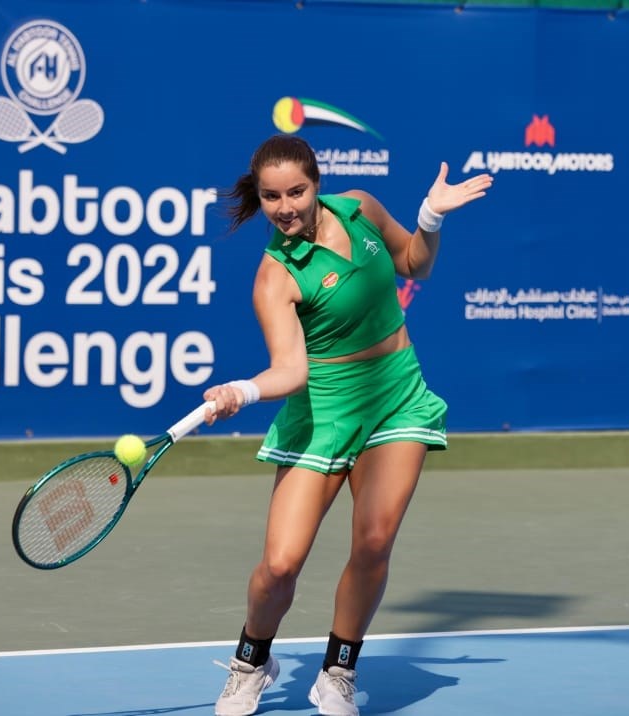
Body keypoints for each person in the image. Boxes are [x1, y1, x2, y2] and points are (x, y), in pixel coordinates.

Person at [202, 134, 493, 716]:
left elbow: (415, 263)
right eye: (271, 197)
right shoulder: (274, 276)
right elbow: (290, 371)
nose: (285, 207)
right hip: (325, 412)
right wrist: (243, 389)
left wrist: (430, 216)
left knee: (374, 540)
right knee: (280, 566)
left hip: (395, 396)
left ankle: (339, 669)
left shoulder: (359, 207)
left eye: (297, 192)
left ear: (318, 183)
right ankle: (252, 659)